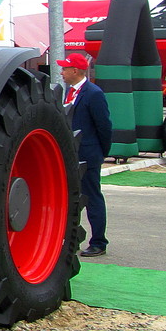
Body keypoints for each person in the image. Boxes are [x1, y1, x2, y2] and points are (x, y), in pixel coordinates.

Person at [58, 52, 113, 256]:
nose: (62, 72)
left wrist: (100, 152)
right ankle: (71, 240)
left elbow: (104, 126)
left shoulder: (93, 93)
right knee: (72, 198)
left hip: (88, 155)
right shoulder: (69, 92)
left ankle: (99, 241)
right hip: (71, 154)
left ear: (75, 71)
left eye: (65, 68)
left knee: (91, 198)